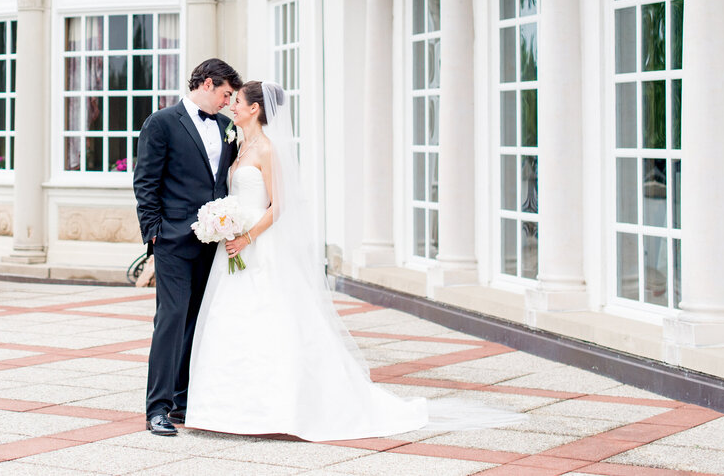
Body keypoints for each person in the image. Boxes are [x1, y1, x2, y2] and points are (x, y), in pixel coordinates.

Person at [186, 81, 522, 440]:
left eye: (236, 101)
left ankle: (277, 409)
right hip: (235, 248)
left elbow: (280, 205)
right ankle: (226, 408)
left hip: (257, 246)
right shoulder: (239, 145)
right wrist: (224, 223)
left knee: (270, 318)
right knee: (233, 319)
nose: (231, 106)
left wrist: (246, 236)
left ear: (255, 109)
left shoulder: (267, 149)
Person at [134, 58, 242, 436]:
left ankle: (182, 401)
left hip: (212, 243)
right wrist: (154, 232)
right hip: (173, 240)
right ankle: (157, 409)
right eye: (227, 94)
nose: (229, 103)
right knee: (171, 320)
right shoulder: (162, 122)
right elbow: (145, 181)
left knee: (198, 321)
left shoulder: (228, 127)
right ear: (208, 84)